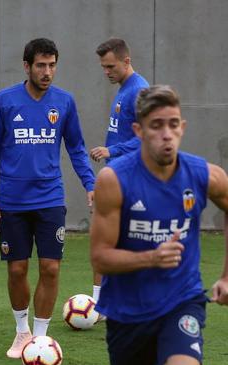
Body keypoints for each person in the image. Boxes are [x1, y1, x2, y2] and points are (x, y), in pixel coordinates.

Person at [90, 85, 228, 365]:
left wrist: (227, 276)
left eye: (173, 124)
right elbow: (100, 258)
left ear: (183, 127)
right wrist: (152, 257)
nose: (167, 134)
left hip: (182, 301)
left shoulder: (205, 175)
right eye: (157, 126)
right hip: (128, 313)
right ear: (138, 130)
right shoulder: (114, 180)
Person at [0, 38, 95, 358]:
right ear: (27, 66)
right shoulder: (4, 101)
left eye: (52, 65)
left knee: (51, 268)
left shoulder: (65, 102)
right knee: (16, 269)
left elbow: (76, 148)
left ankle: (40, 339)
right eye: (41, 65)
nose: (47, 72)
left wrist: (90, 183)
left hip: (50, 199)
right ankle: (21, 332)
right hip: (13, 202)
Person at [89, 38, 149, 310]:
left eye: (110, 66)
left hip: (131, 178)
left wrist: (111, 151)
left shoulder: (139, 91)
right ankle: (101, 303)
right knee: (104, 237)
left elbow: (148, 137)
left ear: (127, 61)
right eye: (103, 67)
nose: (106, 72)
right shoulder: (124, 87)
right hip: (115, 177)